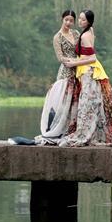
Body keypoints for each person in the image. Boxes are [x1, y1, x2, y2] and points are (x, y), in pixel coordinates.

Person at [57, 9, 112, 147]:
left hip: (88, 72)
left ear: (89, 22)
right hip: (90, 70)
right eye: (79, 19)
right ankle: (104, 131)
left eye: (83, 20)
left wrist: (74, 62)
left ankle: (87, 133)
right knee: (101, 101)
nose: (80, 21)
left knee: (87, 105)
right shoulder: (90, 31)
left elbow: (92, 58)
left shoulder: (85, 36)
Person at [34, 10, 80, 145]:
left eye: (71, 20)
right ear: (62, 19)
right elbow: (60, 57)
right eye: (66, 20)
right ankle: (57, 129)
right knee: (62, 102)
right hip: (66, 71)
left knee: (76, 102)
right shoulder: (57, 37)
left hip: (79, 70)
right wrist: (73, 62)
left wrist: (81, 63)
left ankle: (73, 130)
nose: (69, 23)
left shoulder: (77, 34)